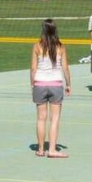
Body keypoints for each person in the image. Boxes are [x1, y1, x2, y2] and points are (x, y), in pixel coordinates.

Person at [30, 19, 71, 158]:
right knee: (54, 119)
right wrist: (69, 84)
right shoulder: (60, 46)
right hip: (55, 84)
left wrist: (32, 83)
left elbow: (33, 68)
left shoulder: (37, 46)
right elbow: (65, 67)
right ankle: (52, 149)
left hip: (40, 83)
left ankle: (41, 149)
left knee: (41, 118)